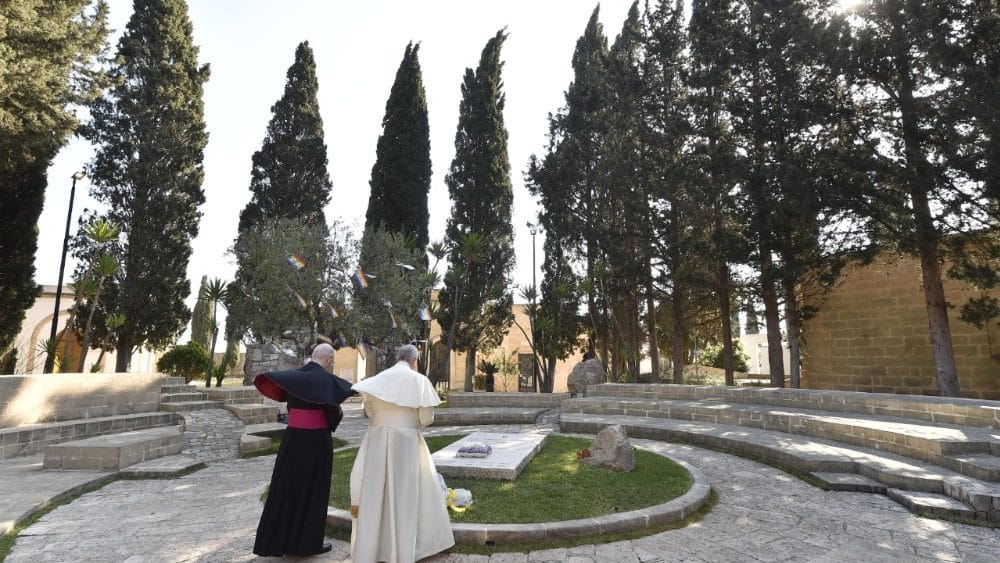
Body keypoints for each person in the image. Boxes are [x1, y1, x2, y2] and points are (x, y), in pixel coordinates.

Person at [349, 344, 454, 563]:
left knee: (377, 491)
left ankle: (374, 548)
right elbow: (426, 418)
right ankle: (405, 549)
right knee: (406, 492)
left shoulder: (378, 379)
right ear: (415, 360)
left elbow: (368, 411)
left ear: (398, 357)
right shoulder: (419, 380)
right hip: (406, 442)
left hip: (378, 441)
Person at [251, 342, 354, 557]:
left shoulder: (294, 378)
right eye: (332, 360)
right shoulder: (326, 381)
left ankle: (276, 542)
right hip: (316, 442)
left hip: (292, 440)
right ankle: (308, 544)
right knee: (314, 489)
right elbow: (335, 411)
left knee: (286, 488)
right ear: (327, 359)